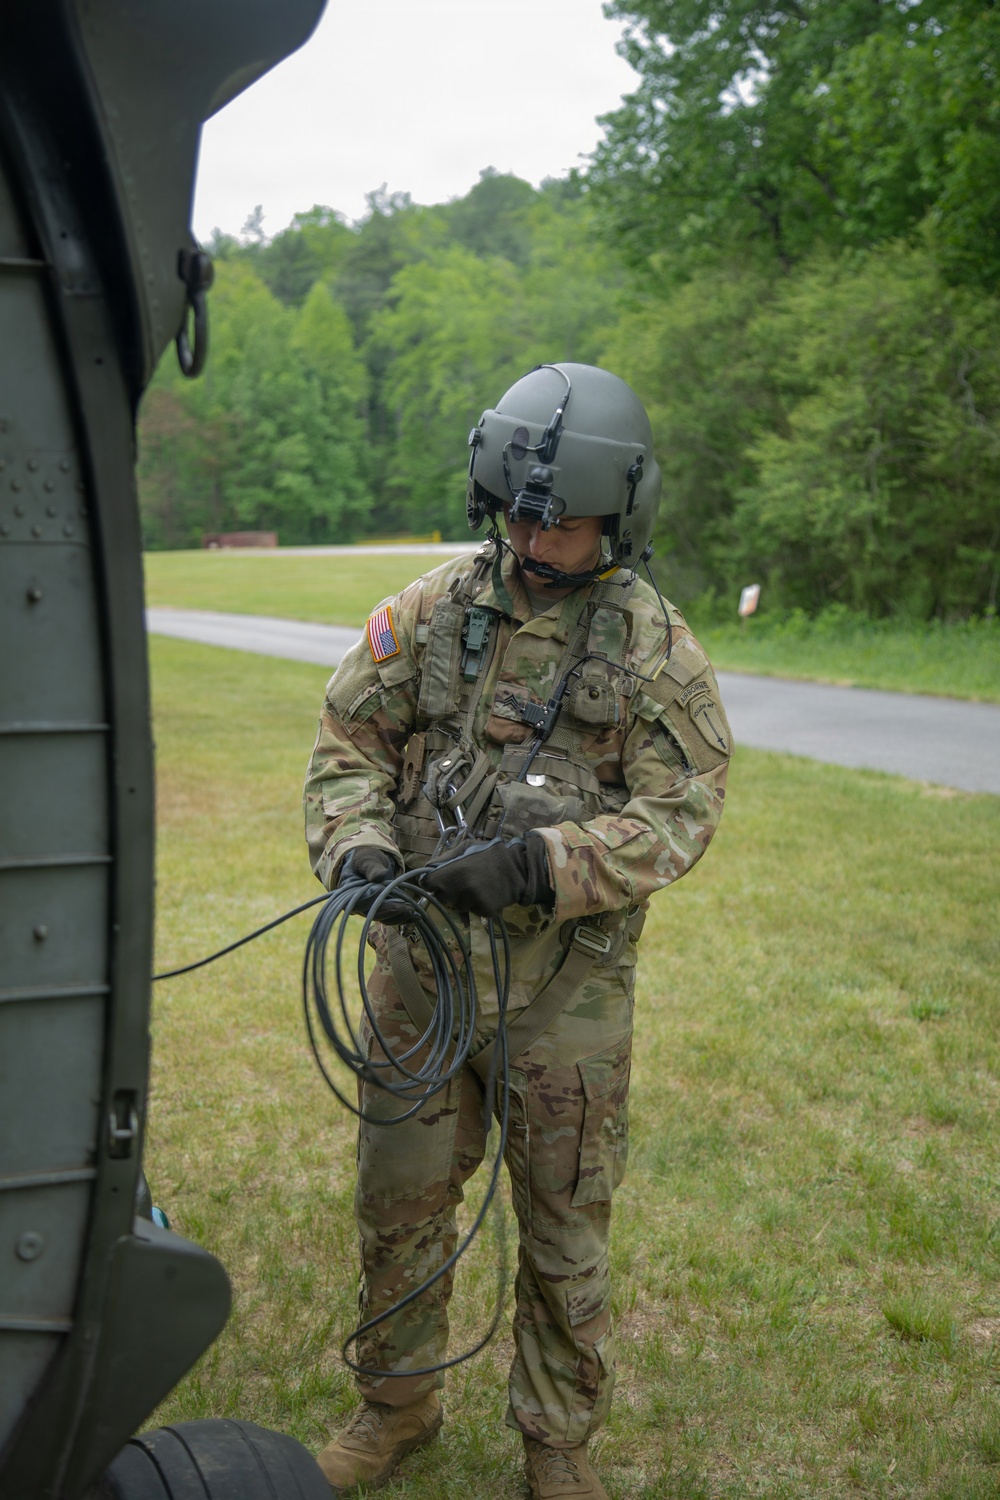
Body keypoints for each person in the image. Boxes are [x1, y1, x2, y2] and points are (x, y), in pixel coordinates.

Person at [303, 362, 731, 1498]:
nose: (541, 541)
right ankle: (393, 1409)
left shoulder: (655, 648)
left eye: (568, 524)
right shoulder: (432, 609)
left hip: (564, 994)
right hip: (423, 973)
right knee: (399, 1197)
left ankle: (555, 1447)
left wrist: (548, 861)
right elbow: (348, 744)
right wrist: (359, 852)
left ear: (621, 517)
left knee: (561, 1224)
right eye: (525, 515)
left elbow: (680, 813)